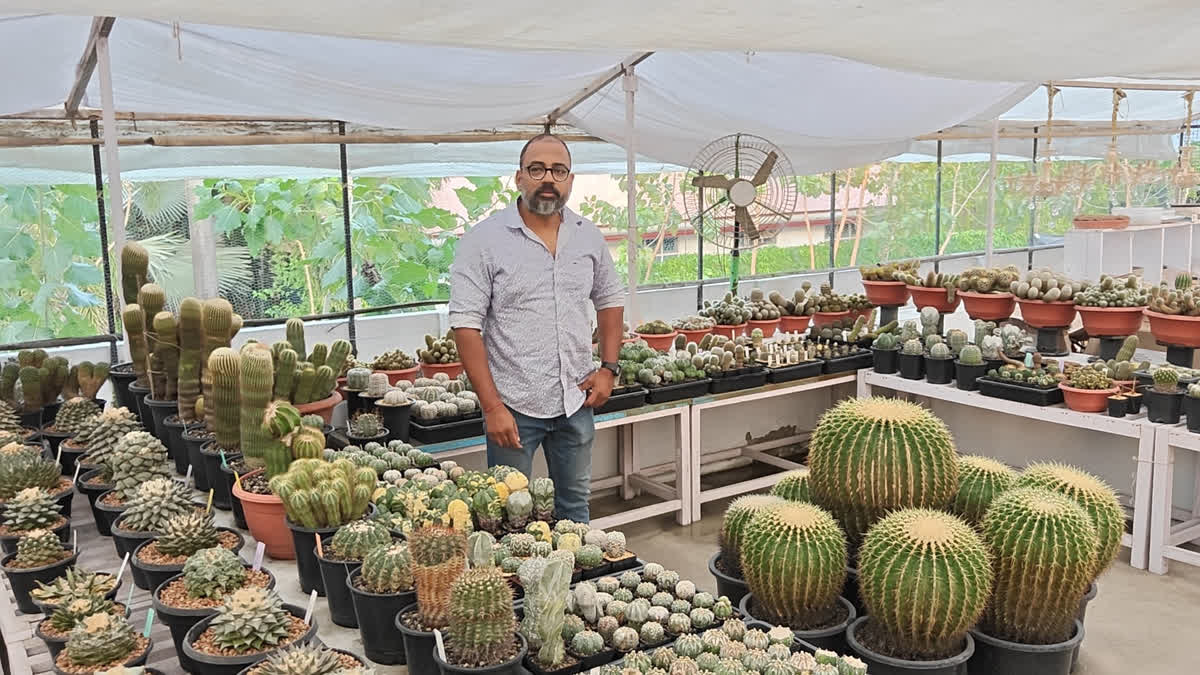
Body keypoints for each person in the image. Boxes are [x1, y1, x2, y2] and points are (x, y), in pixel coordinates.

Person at [448, 134, 626, 523]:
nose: (549, 178)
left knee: (575, 509)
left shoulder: (587, 235)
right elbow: (465, 324)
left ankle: (575, 583)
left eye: (558, 170)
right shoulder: (485, 241)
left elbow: (610, 298)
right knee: (508, 518)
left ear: (571, 180)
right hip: (513, 407)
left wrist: (609, 368)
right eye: (537, 169)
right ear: (519, 177)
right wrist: (492, 407)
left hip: (575, 399)